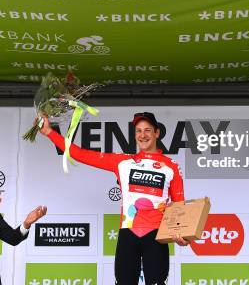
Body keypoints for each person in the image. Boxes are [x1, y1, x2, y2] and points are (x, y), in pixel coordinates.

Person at [39, 111, 188, 285]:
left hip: (156, 237)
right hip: (128, 234)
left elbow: (179, 205)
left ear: (157, 133)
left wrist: (182, 234)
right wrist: (49, 132)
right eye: (138, 131)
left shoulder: (171, 167)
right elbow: (79, 153)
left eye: (147, 130)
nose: (143, 135)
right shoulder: (123, 162)